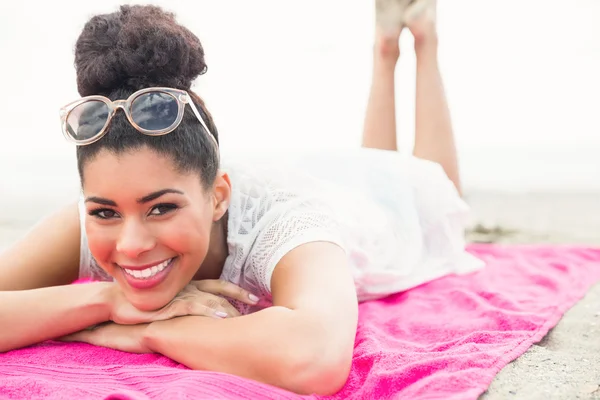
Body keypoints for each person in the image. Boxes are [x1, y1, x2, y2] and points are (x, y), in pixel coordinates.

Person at [0, 0, 482, 395]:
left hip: (364, 218)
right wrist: (106, 302)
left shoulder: (287, 223)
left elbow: (314, 358)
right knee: (378, 168)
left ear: (217, 197)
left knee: (419, 185)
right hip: (320, 176)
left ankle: (422, 39)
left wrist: (143, 330)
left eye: (162, 208)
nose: (129, 244)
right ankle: (384, 49)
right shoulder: (96, 221)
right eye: (105, 210)